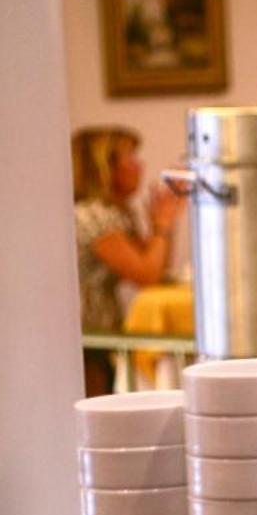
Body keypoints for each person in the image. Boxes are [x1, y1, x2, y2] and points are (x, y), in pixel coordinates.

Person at [72, 126, 181, 396]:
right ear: (103, 166)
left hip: (102, 333)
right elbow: (147, 274)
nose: (139, 165)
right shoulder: (92, 215)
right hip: (89, 341)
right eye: (130, 157)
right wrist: (162, 224)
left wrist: (163, 223)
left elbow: (158, 265)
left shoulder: (116, 212)